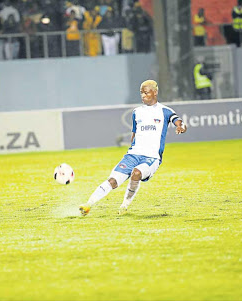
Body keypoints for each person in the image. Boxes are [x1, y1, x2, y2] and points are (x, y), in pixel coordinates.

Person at [79, 80, 187, 216]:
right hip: (132, 155)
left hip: (152, 157)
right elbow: (134, 134)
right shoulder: (136, 112)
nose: (143, 96)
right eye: (141, 93)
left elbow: (180, 123)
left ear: (155, 92)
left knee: (136, 173)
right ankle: (88, 205)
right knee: (113, 181)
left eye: (146, 92)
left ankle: (125, 205)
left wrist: (180, 127)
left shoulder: (165, 111)